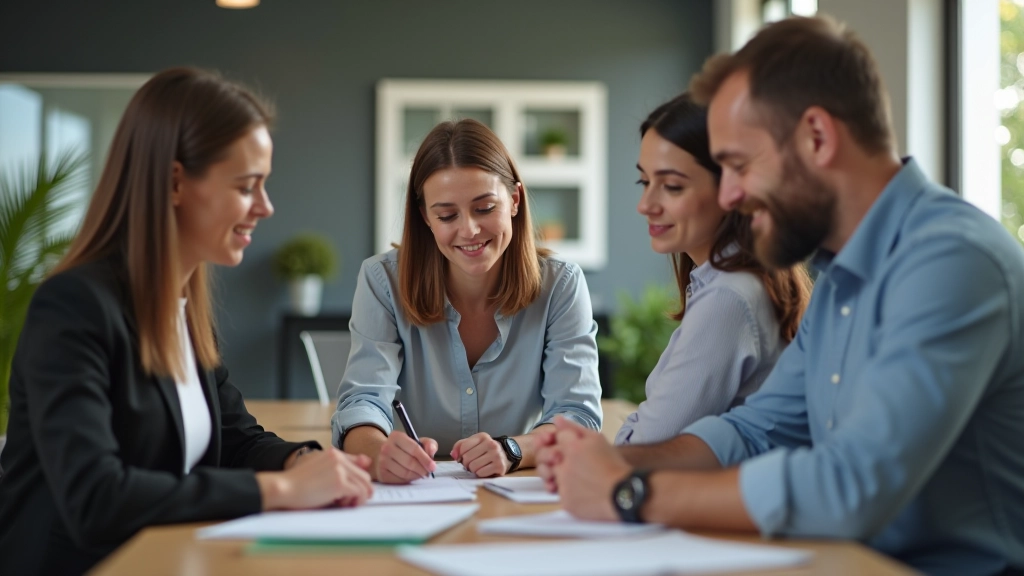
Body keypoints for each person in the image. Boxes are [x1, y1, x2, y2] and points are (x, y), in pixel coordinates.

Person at [538, 16, 1024, 576]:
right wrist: (613, 461)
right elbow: (755, 429)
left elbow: (852, 485)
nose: (730, 194)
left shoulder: (950, 261)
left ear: (817, 137)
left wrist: (631, 493)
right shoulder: (842, 275)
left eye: (739, 166)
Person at [0, 67, 374, 576]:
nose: (265, 206)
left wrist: (301, 462)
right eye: (247, 186)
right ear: (175, 181)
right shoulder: (73, 307)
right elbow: (96, 497)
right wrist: (281, 489)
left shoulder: (182, 307)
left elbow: (234, 435)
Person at [333, 118, 602, 484]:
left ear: (514, 200)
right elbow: (362, 401)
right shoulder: (382, 281)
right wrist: (379, 454)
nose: (469, 230)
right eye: (446, 215)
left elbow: (577, 415)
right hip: (413, 494)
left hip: (516, 488)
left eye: (484, 208)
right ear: (426, 218)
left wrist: (513, 450)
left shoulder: (561, 285)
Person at [615, 93, 811, 445]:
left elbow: (648, 448)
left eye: (672, 186)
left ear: (732, 190)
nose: (646, 205)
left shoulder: (728, 297)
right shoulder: (733, 281)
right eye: (645, 182)